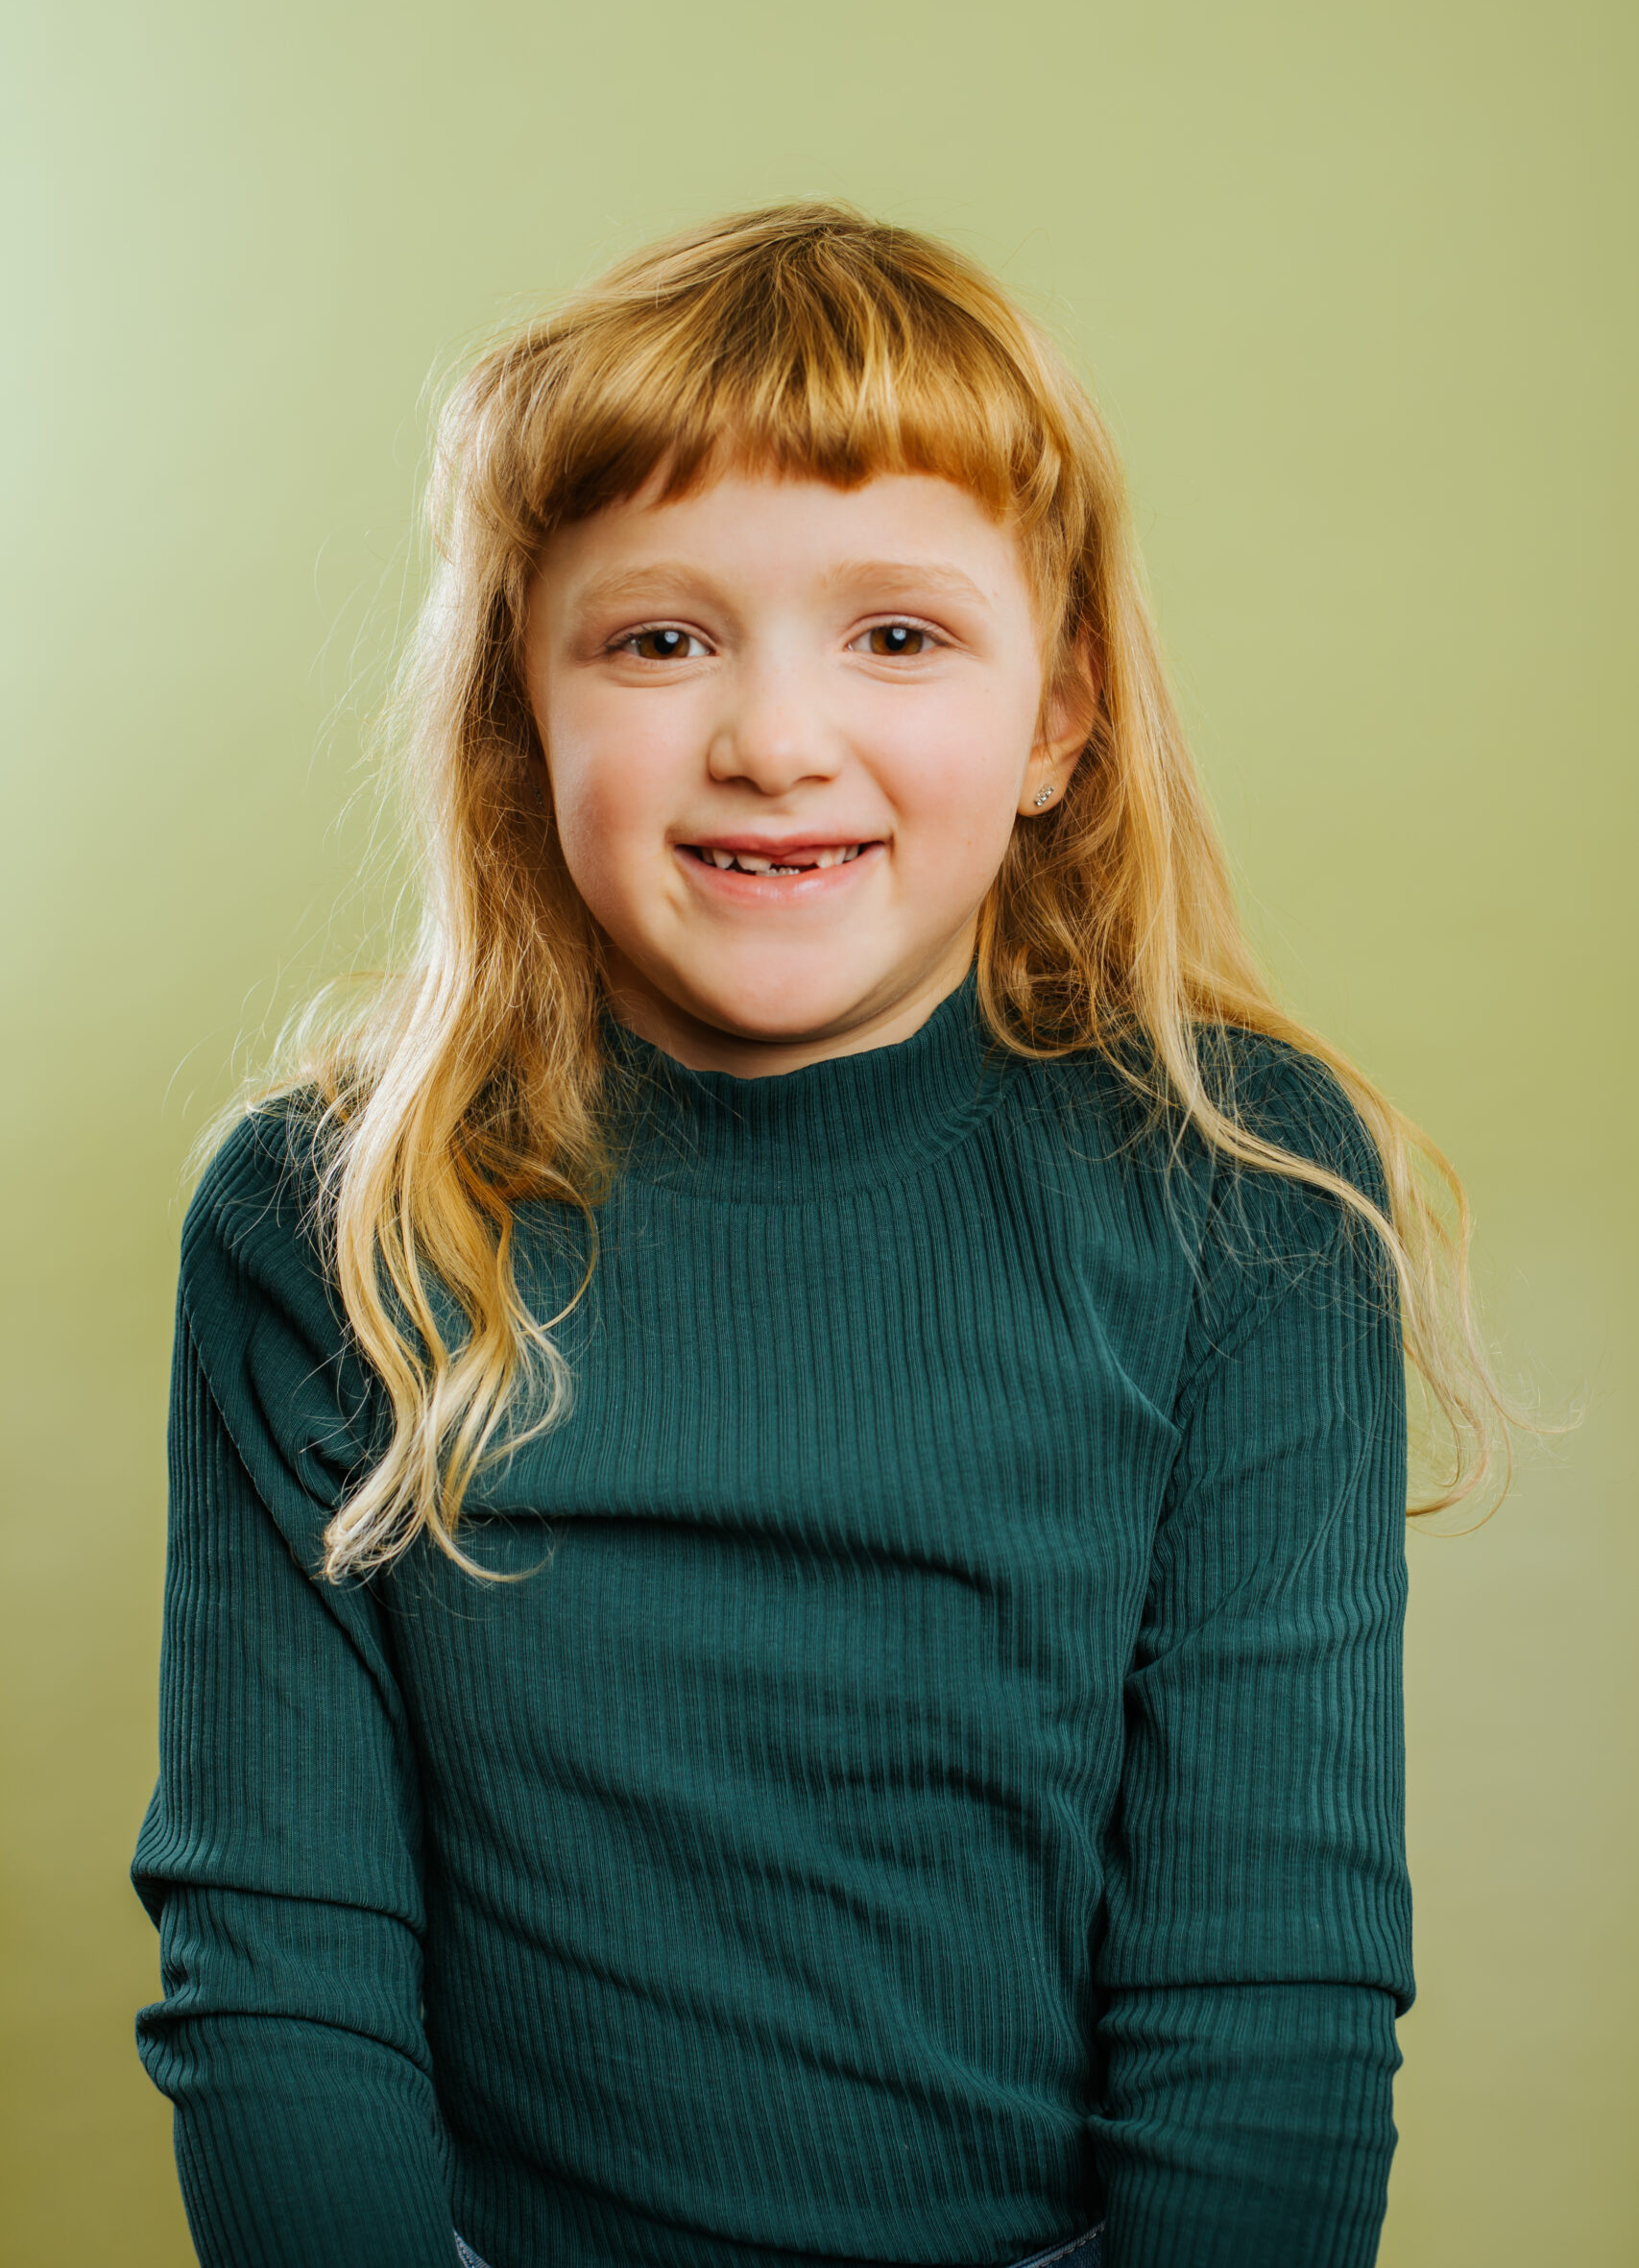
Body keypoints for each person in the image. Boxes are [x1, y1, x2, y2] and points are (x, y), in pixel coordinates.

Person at [132, 205, 1508, 2268]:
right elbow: (282, 1970)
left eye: (895, 635)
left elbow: (1267, 1995)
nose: (774, 738)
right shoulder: (320, 1218)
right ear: (521, 714)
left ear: (1057, 721)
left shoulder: (1245, 1192)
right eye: (659, 638)